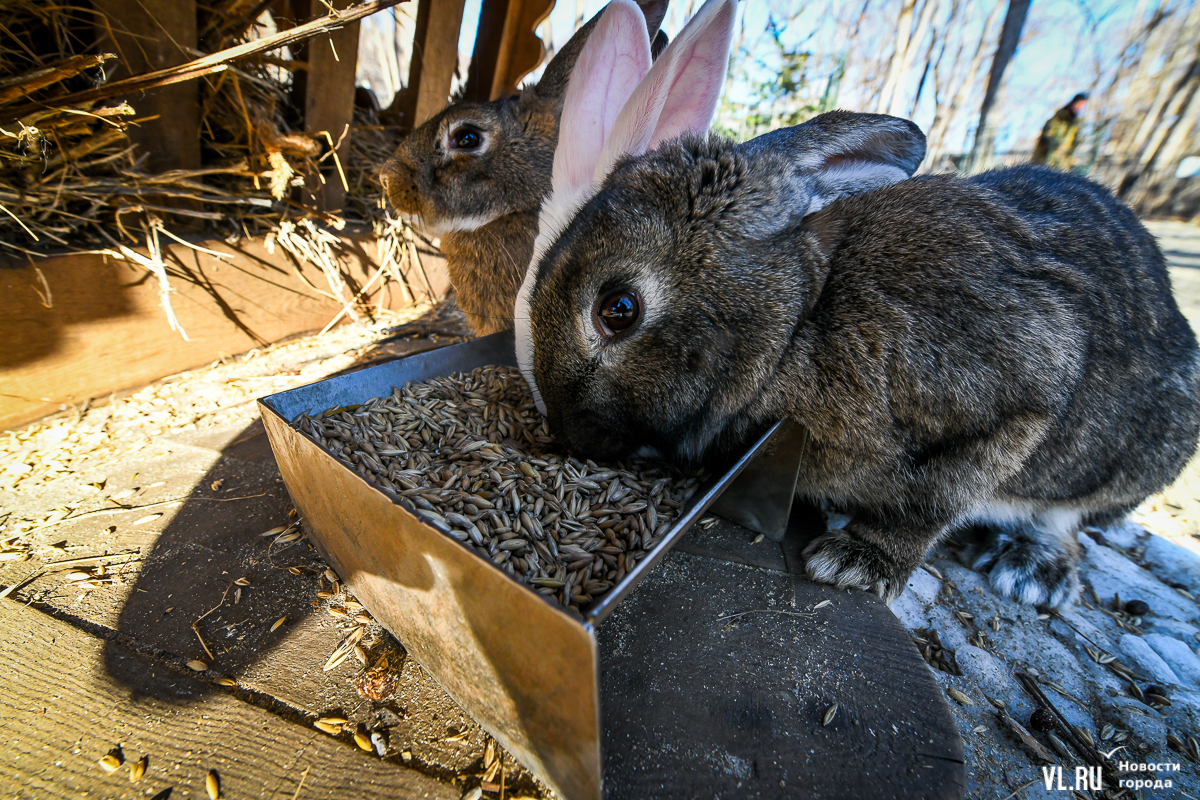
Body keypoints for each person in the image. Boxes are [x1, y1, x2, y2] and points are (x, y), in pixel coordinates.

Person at [1032, 92, 1088, 169]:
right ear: (1074, 102)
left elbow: (1073, 144)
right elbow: (1047, 136)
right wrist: (1056, 146)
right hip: (1046, 160)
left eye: (1083, 105)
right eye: (1079, 104)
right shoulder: (1058, 118)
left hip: (1062, 164)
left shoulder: (1077, 124)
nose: (1080, 107)